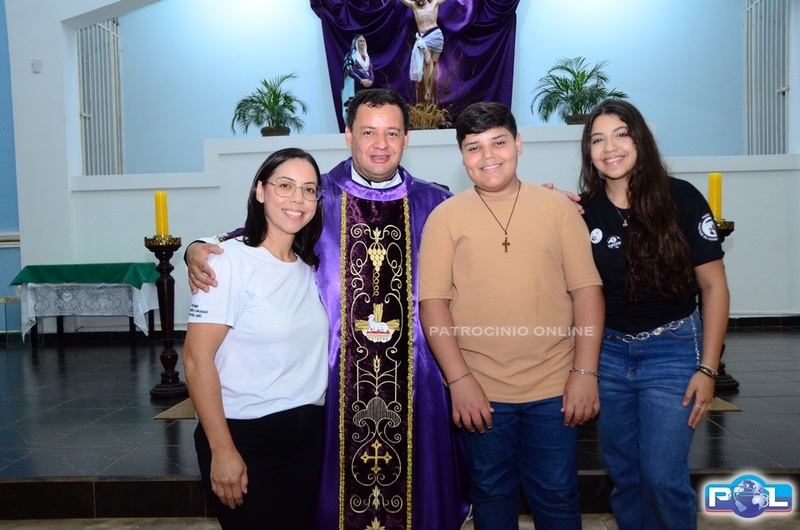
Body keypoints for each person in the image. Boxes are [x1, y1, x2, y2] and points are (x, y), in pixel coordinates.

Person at [185, 88, 471, 530]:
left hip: (417, 385)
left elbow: (488, 229)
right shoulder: (318, 197)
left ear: (407, 139)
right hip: (337, 391)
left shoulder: (435, 203)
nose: (380, 144)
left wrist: (545, 201)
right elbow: (254, 235)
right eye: (368, 132)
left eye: (392, 133)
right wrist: (196, 247)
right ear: (348, 135)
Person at [418, 101, 605, 530]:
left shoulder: (558, 209)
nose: (488, 156)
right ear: (462, 156)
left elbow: (586, 292)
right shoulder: (445, 218)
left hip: (555, 387)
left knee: (557, 494)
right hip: (480, 389)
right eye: (474, 147)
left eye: (498, 142)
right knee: (490, 492)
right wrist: (459, 381)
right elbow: (433, 304)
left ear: (518, 143)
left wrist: (585, 372)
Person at [578, 99, 730, 530]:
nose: (610, 147)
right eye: (598, 140)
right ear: (589, 152)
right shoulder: (583, 211)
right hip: (609, 356)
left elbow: (714, 287)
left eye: (621, 135)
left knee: (662, 478)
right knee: (625, 477)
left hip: (673, 351)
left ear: (640, 139)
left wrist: (708, 368)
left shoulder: (681, 198)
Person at [182, 148, 328, 530]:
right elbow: (196, 360)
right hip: (246, 436)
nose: (298, 199)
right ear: (260, 191)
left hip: (308, 436)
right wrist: (222, 449)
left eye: (309, 189)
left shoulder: (311, 266)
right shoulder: (228, 262)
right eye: (285, 186)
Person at [401, 0, 447, 104]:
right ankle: (427, 90)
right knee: (427, 62)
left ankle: (430, 90)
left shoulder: (434, 3)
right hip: (424, 38)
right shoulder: (414, 6)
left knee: (433, 65)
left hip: (436, 35)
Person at [341, 34, 374, 122]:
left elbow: (371, 70)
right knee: (354, 107)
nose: (362, 43)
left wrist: (371, 80)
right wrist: (361, 80)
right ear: (355, 43)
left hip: (366, 87)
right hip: (355, 86)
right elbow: (349, 70)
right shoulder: (351, 55)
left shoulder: (367, 57)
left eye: (363, 41)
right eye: (360, 41)